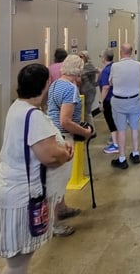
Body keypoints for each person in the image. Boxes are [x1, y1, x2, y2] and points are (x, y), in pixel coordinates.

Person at [0, 64, 74, 274]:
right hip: (20, 196)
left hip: (7, 188)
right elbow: (49, 156)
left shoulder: (16, 107)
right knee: (18, 264)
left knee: (17, 262)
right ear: (46, 84)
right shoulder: (33, 117)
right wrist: (65, 153)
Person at [47, 54, 94, 237]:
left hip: (54, 133)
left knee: (60, 178)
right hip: (63, 137)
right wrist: (85, 132)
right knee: (57, 180)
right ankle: (54, 223)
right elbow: (65, 120)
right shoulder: (70, 89)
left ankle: (62, 207)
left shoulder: (56, 84)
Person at [109, 43, 140, 169]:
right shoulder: (138, 65)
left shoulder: (115, 66)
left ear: (121, 52)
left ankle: (122, 158)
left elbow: (111, 82)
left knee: (121, 130)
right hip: (134, 100)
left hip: (119, 102)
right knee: (135, 127)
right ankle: (135, 153)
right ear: (132, 52)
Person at [98, 49, 119, 154]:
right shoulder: (114, 67)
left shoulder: (106, 71)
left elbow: (105, 87)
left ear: (104, 58)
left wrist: (101, 101)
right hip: (115, 98)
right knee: (116, 120)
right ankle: (116, 140)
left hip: (108, 99)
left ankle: (115, 144)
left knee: (111, 121)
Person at [78, 50, 99, 125]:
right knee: (82, 111)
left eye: (81, 57)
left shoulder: (88, 66)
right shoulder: (80, 66)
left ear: (86, 57)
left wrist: (96, 83)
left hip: (89, 91)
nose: (79, 58)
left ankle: (91, 129)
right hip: (82, 91)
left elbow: (98, 71)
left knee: (87, 111)